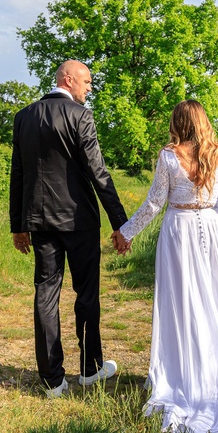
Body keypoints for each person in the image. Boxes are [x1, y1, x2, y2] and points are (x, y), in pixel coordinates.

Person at [118, 100, 218, 433]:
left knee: (186, 307)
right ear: (204, 121)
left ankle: (187, 375)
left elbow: (155, 203)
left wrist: (126, 233)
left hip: (180, 234)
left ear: (177, 122)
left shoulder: (169, 156)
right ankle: (216, 373)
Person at [10, 60, 131, 398]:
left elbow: (17, 173)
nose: (89, 88)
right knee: (87, 294)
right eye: (87, 82)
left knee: (45, 295)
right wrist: (122, 224)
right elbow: (99, 173)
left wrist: (18, 225)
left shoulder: (24, 117)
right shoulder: (81, 116)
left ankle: (52, 381)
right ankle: (91, 369)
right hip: (79, 223)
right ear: (68, 79)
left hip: (40, 222)